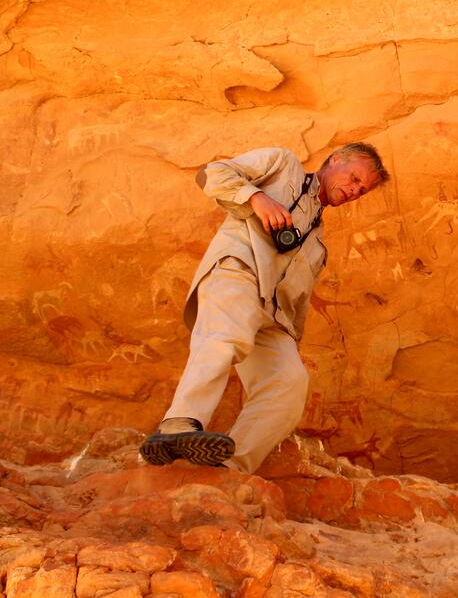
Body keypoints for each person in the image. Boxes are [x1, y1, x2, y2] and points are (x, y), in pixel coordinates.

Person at [140, 143, 389, 473]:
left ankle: (231, 467)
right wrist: (257, 198)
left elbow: (298, 304)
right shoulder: (283, 164)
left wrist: (291, 342)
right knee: (224, 337)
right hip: (239, 273)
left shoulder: (318, 240)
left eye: (362, 189)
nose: (356, 190)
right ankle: (178, 424)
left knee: (289, 381)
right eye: (355, 177)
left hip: (274, 315)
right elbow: (213, 173)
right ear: (335, 159)